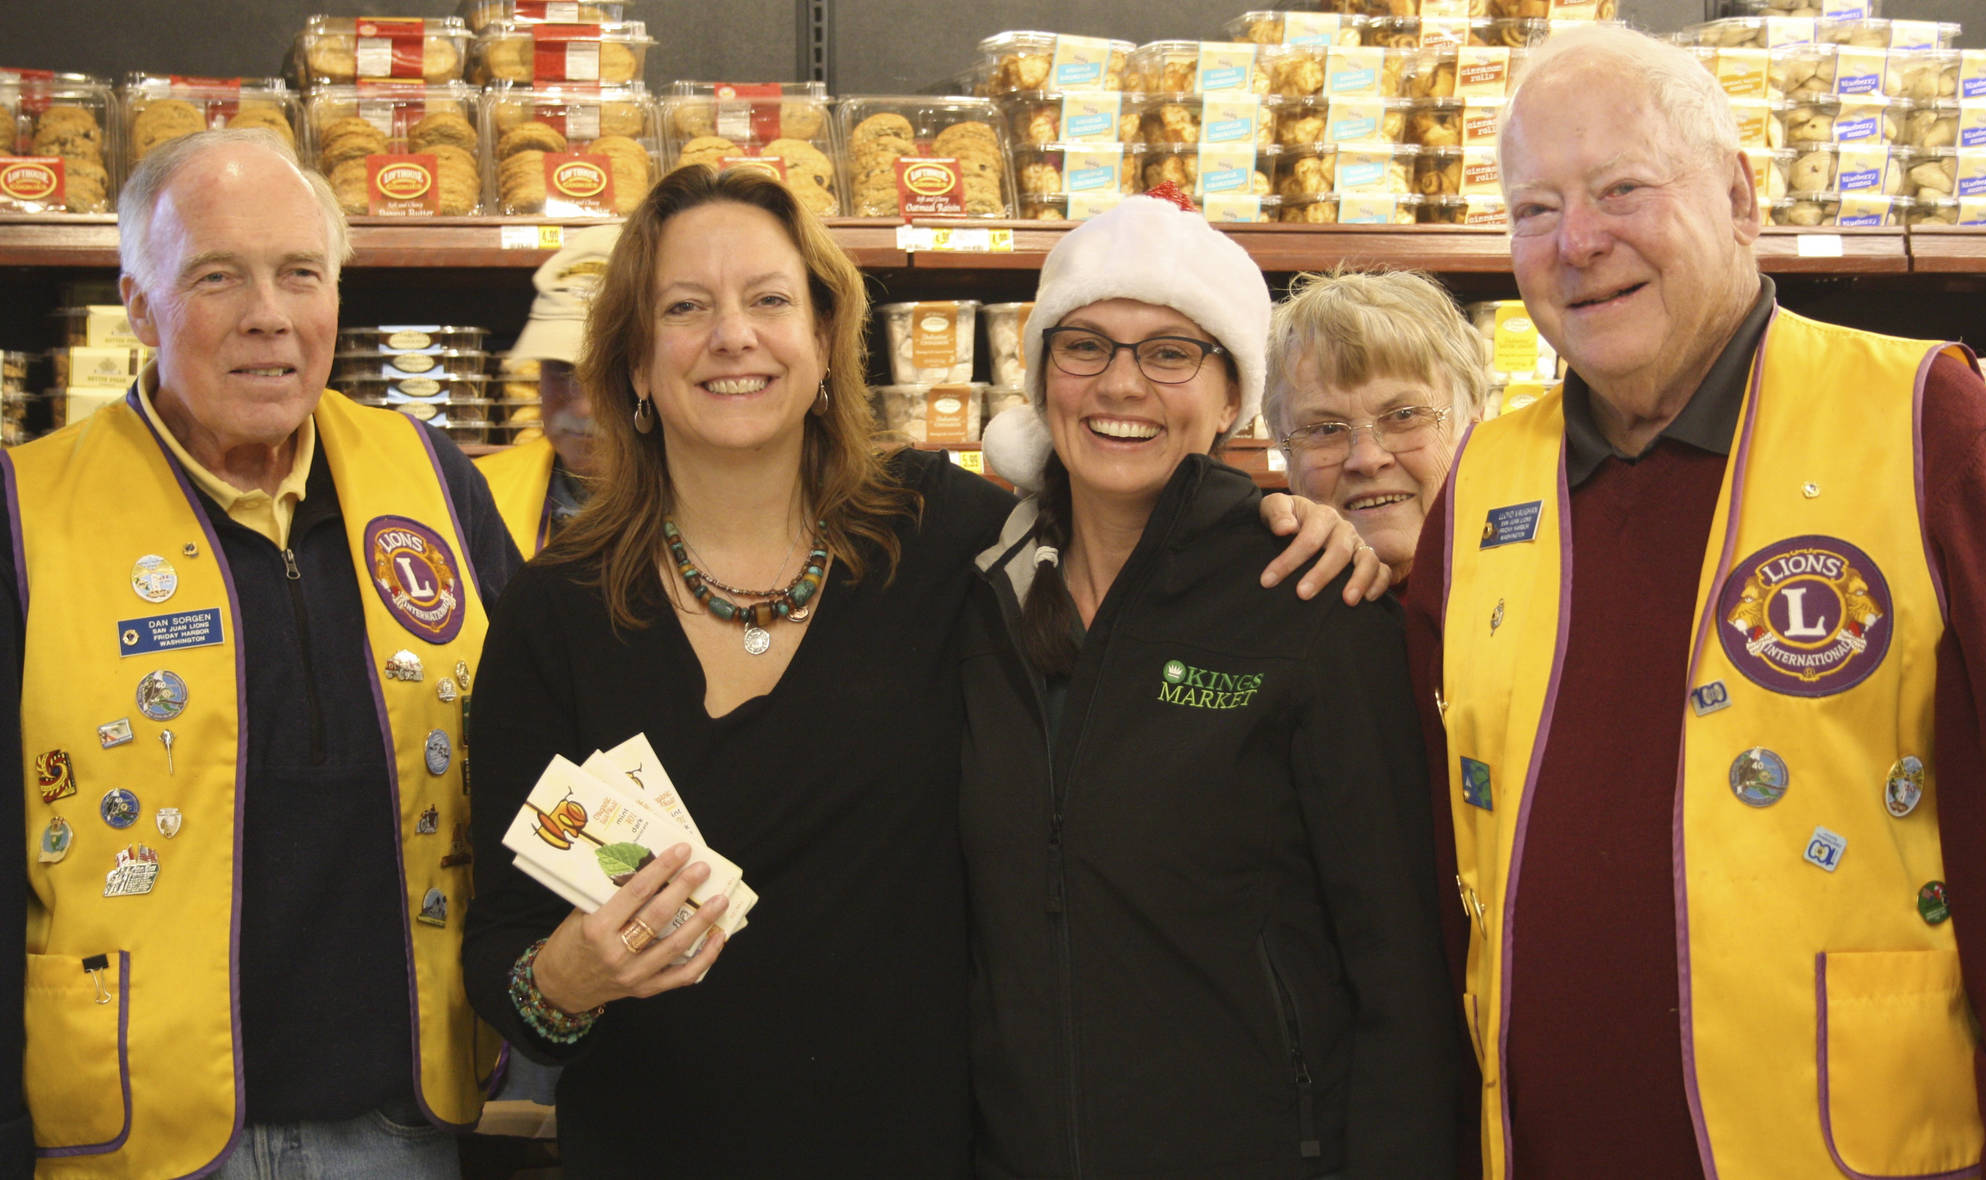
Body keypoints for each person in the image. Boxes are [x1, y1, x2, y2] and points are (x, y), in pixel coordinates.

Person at [459, 167, 1383, 1177]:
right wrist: (565, 978)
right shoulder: (555, 611)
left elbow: (1137, 536)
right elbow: (504, 963)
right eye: (685, 307)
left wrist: (1292, 522)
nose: (733, 336)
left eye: (770, 300)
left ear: (823, 342)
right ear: (634, 359)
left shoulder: (947, 539)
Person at [1406, 24, 1986, 1179]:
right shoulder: (1481, 479)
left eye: (1620, 189)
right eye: (1533, 208)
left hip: (1858, 1149)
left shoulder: (1925, 429)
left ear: (1741, 197)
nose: (1576, 243)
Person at [0, 129, 521, 1177]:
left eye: (300, 274)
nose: (268, 316)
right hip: (133, 1131)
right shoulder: (26, 513)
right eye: (216, 277)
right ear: (139, 306)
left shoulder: (429, 478)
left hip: (404, 1120)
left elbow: (530, 743)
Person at [964, 192, 1459, 1178]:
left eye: (1169, 351)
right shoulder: (980, 584)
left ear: (1231, 395)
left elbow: (1397, 974)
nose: (1121, 384)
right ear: (1038, 375)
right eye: (1085, 346)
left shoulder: (1309, 596)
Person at [1266, 269, 1488, 591]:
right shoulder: (1263, 596)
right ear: (1285, 452)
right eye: (1326, 429)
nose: (1367, 459)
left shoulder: (1543, 580)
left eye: (1404, 415)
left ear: (1472, 426)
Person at [477, 224, 618, 559]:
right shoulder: (479, 496)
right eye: (561, 368)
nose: (583, 407)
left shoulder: (727, 504)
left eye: (608, 374)